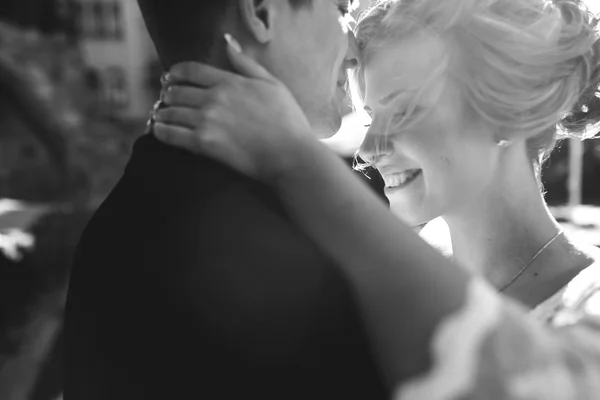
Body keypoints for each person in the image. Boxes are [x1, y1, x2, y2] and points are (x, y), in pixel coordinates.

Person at [152, 0, 600, 397]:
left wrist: (296, 159)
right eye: (371, 117)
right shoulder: (371, 271)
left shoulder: (590, 299)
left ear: (510, 114)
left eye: (404, 109)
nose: (368, 150)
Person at [63, 1, 389, 399]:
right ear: (261, 12)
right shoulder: (302, 248)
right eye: (340, 10)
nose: (355, 53)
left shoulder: (109, 237)